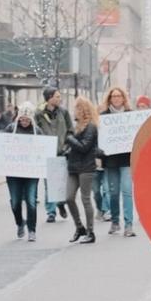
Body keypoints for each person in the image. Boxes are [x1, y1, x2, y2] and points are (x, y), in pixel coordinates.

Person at [100, 87, 136, 237]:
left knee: (127, 191)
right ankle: (115, 222)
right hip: (111, 160)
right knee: (113, 193)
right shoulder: (103, 117)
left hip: (126, 159)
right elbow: (100, 138)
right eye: (113, 96)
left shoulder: (131, 115)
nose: (116, 99)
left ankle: (128, 225)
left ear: (123, 98)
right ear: (109, 99)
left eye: (119, 96)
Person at [64, 97, 100, 245]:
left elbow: (84, 147)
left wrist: (70, 139)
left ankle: (91, 232)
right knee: (69, 197)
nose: (75, 111)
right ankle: (79, 227)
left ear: (82, 109)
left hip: (86, 166)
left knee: (85, 199)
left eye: (76, 108)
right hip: (73, 166)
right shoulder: (75, 126)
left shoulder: (91, 127)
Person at [3, 105, 42, 242]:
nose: (24, 122)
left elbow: (42, 150)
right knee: (15, 202)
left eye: (27, 120)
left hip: (31, 172)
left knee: (31, 201)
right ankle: (20, 223)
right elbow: (3, 148)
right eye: (22, 119)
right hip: (14, 172)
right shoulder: (10, 129)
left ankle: (32, 230)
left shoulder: (37, 131)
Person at [36, 87, 74, 224]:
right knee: (48, 184)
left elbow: (70, 130)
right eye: (57, 96)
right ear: (49, 98)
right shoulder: (39, 114)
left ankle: (61, 203)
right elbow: (35, 130)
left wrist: (67, 145)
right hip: (47, 153)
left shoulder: (64, 112)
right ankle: (50, 212)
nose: (60, 99)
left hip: (62, 152)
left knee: (62, 182)